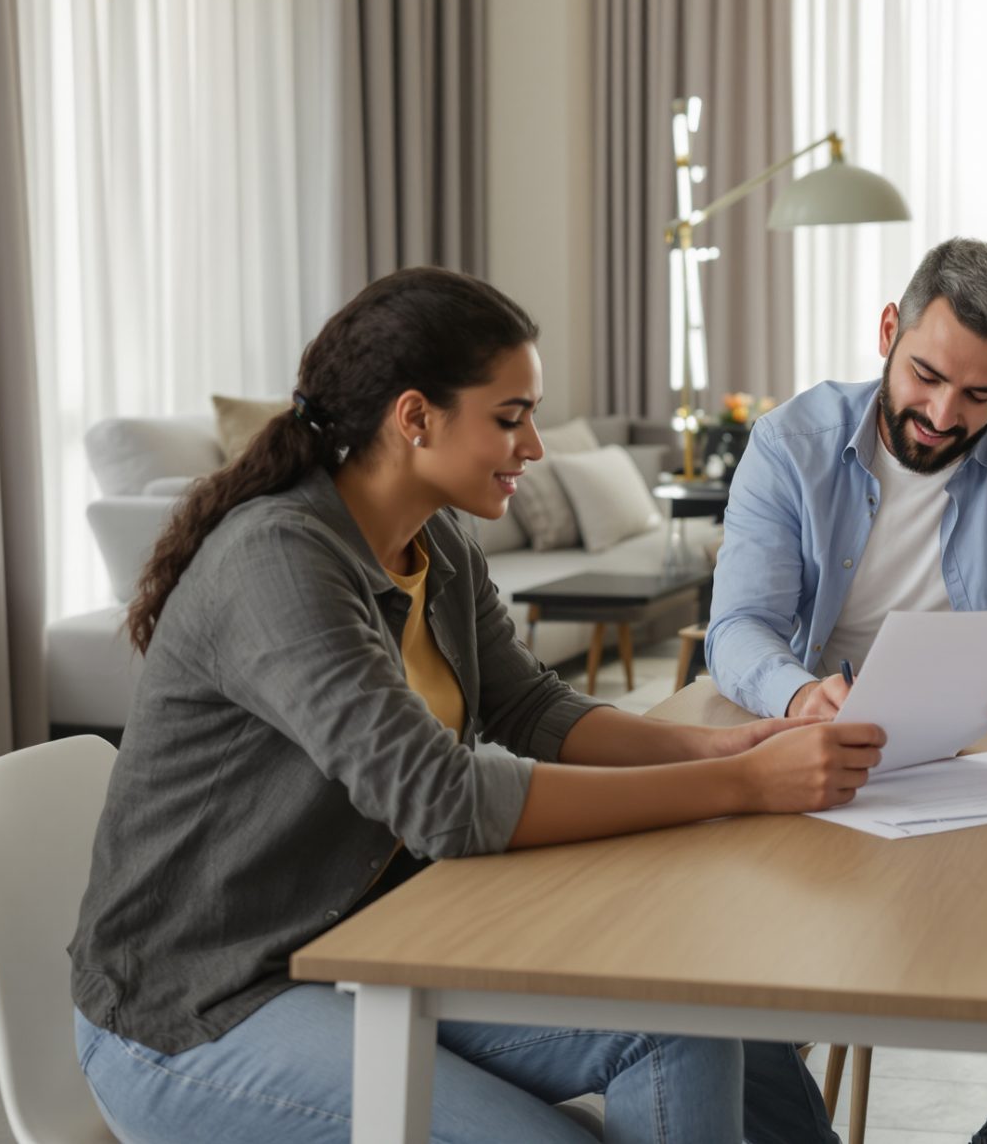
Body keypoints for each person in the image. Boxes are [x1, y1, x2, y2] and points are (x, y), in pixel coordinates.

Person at [66, 267, 887, 1143]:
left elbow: (531, 707)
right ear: (415, 417)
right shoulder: (277, 561)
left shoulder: (437, 542)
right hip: (201, 1004)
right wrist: (743, 786)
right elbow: (445, 799)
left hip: (370, 942)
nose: (533, 446)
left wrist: (731, 750)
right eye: (509, 417)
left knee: (694, 1009)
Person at [707, 236, 987, 1143]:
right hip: (829, 772)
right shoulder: (790, 442)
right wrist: (798, 695)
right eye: (927, 376)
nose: (945, 414)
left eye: (982, 393)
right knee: (716, 1003)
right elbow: (738, 627)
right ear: (887, 331)